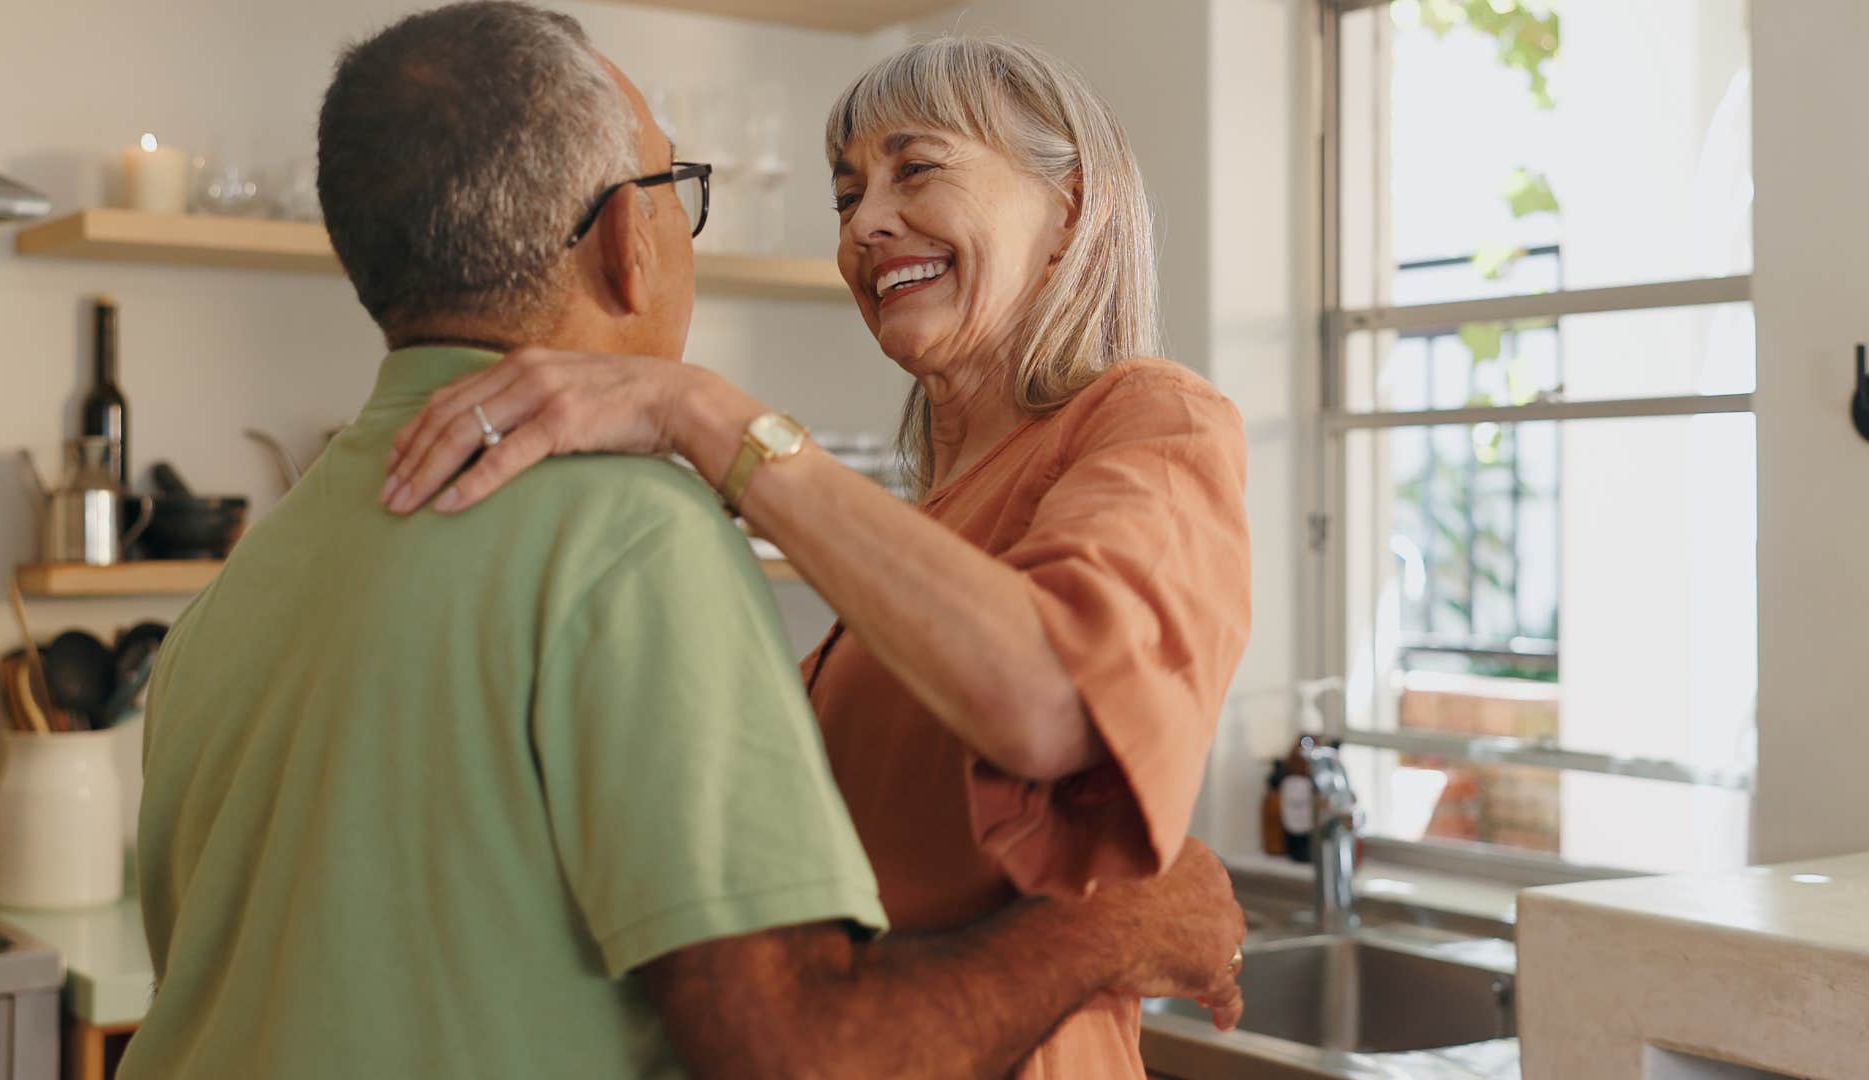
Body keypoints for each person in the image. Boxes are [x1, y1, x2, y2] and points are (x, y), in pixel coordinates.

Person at [115, 7, 1248, 1080]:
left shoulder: (239, 588)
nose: (862, 225)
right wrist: (1121, 930)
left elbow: (1058, 697)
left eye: (917, 168)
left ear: (1073, 207)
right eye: (846, 191)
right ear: (626, 242)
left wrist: (698, 414)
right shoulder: (659, 539)